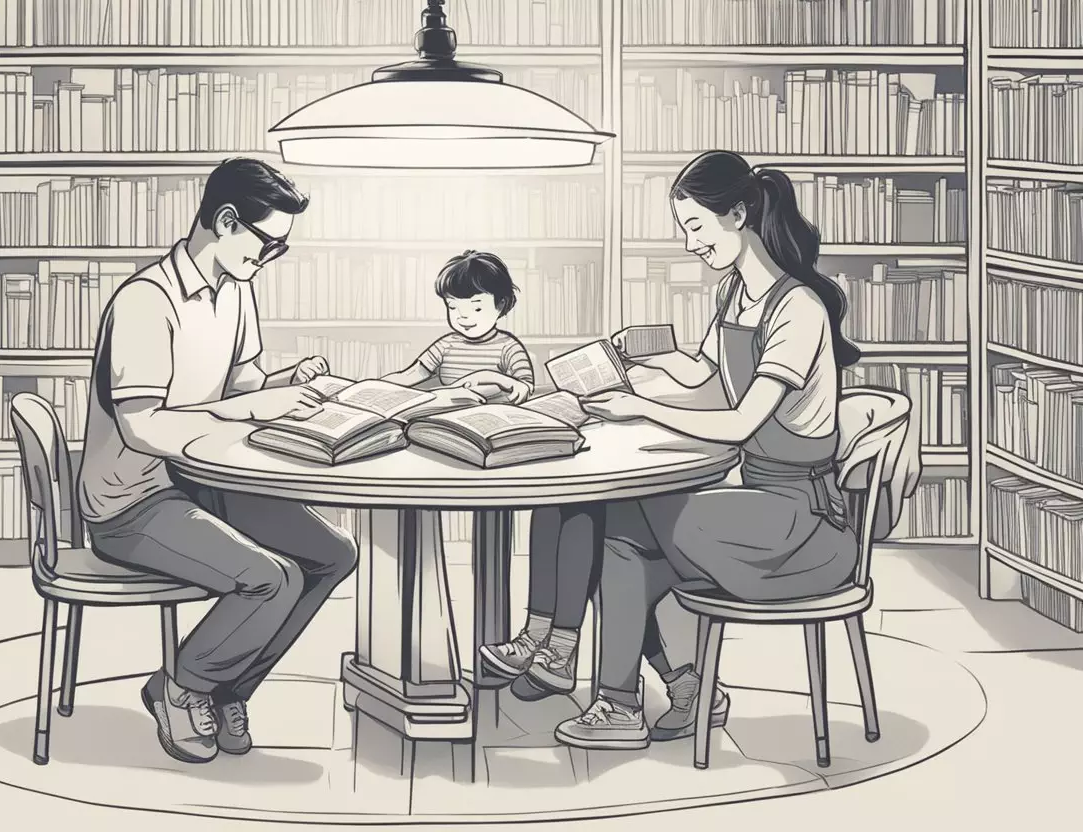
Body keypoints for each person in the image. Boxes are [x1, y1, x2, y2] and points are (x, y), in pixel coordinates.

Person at [485, 149, 863, 751]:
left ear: (737, 214)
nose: (689, 244)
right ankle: (651, 694)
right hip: (758, 508)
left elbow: (739, 421)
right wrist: (633, 367)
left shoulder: (798, 308)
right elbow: (706, 379)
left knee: (615, 519)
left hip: (803, 527)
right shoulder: (737, 295)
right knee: (619, 535)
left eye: (694, 226)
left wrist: (640, 406)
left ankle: (600, 673)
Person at [76, 158, 356, 764]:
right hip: (133, 498)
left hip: (202, 480)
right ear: (226, 221)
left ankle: (228, 687)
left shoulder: (237, 291)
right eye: (267, 244)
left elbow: (243, 383)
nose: (269, 259)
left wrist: (289, 383)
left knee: (333, 555)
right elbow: (143, 426)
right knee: (270, 578)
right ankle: (181, 689)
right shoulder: (146, 301)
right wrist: (254, 407)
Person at [382, 250, 536, 403]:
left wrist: (490, 378)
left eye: (477, 308)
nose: (463, 316)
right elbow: (408, 376)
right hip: (447, 417)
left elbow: (525, 386)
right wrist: (370, 388)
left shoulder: (508, 347)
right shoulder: (446, 345)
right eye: (453, 306)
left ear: (500, 304)